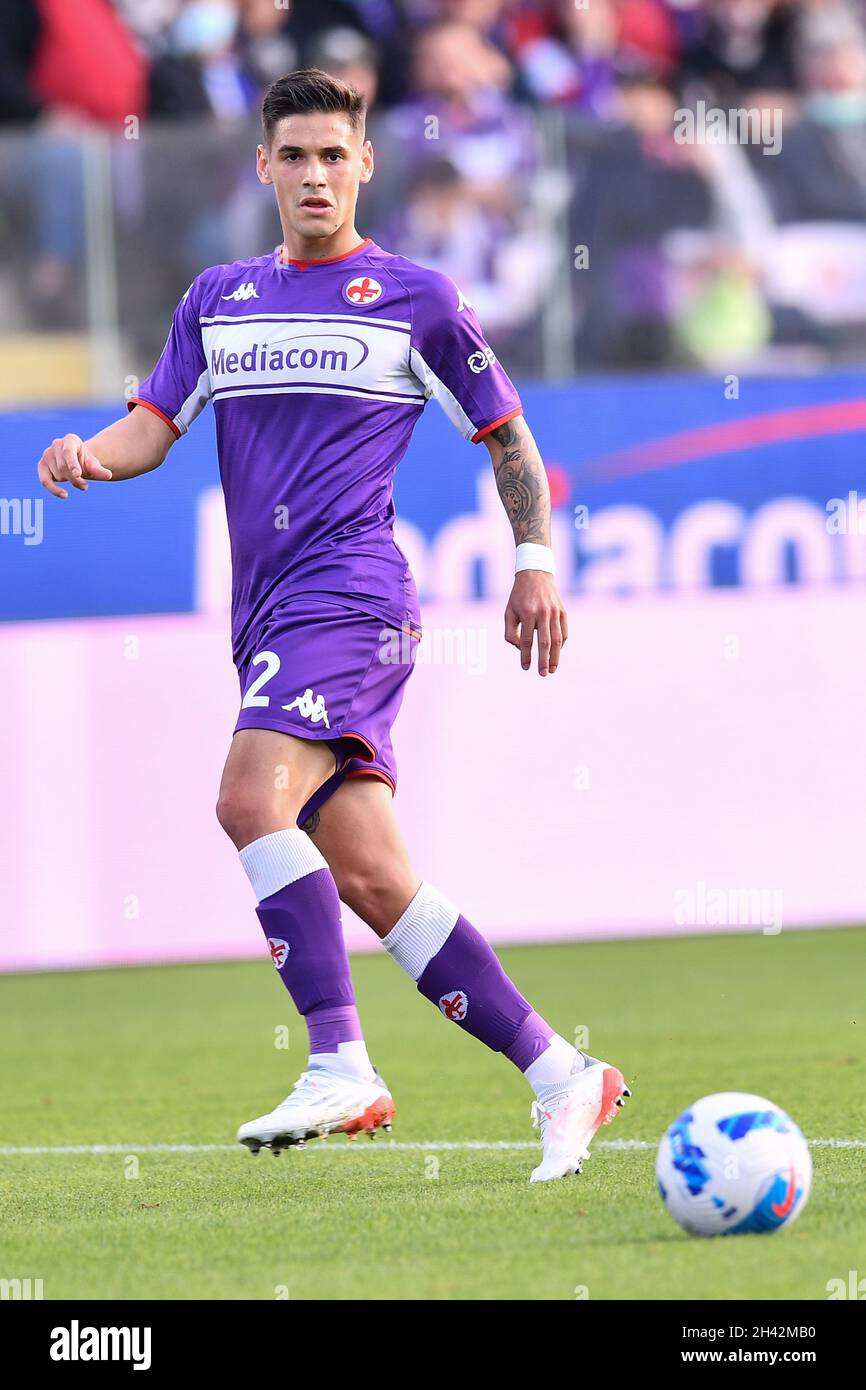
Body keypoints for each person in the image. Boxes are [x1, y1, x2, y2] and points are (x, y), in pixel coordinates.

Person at [36, 67, 629, 1182]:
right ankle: (560, 1072)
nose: (314, 174)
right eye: (294, 155)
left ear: (363, 166)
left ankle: (339, 1060)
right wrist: (86, 456)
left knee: (244, 796)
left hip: (352, 596)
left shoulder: (415, 299)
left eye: (333, 156)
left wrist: (534, 560)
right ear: (263, 166)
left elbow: (506, 436)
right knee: (370, 877)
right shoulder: (218, 299)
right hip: (267, 612)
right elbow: (149, 428)